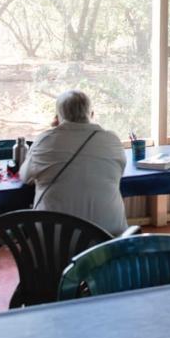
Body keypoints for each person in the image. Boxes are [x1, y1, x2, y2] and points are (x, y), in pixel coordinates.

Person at [19, 89, 128, 235]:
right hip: (106, 244)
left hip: (52, 244)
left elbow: (25, 177)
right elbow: (118, 172)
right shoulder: (112, 140)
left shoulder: (45, 140)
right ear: (92, 115)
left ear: (57, 118)